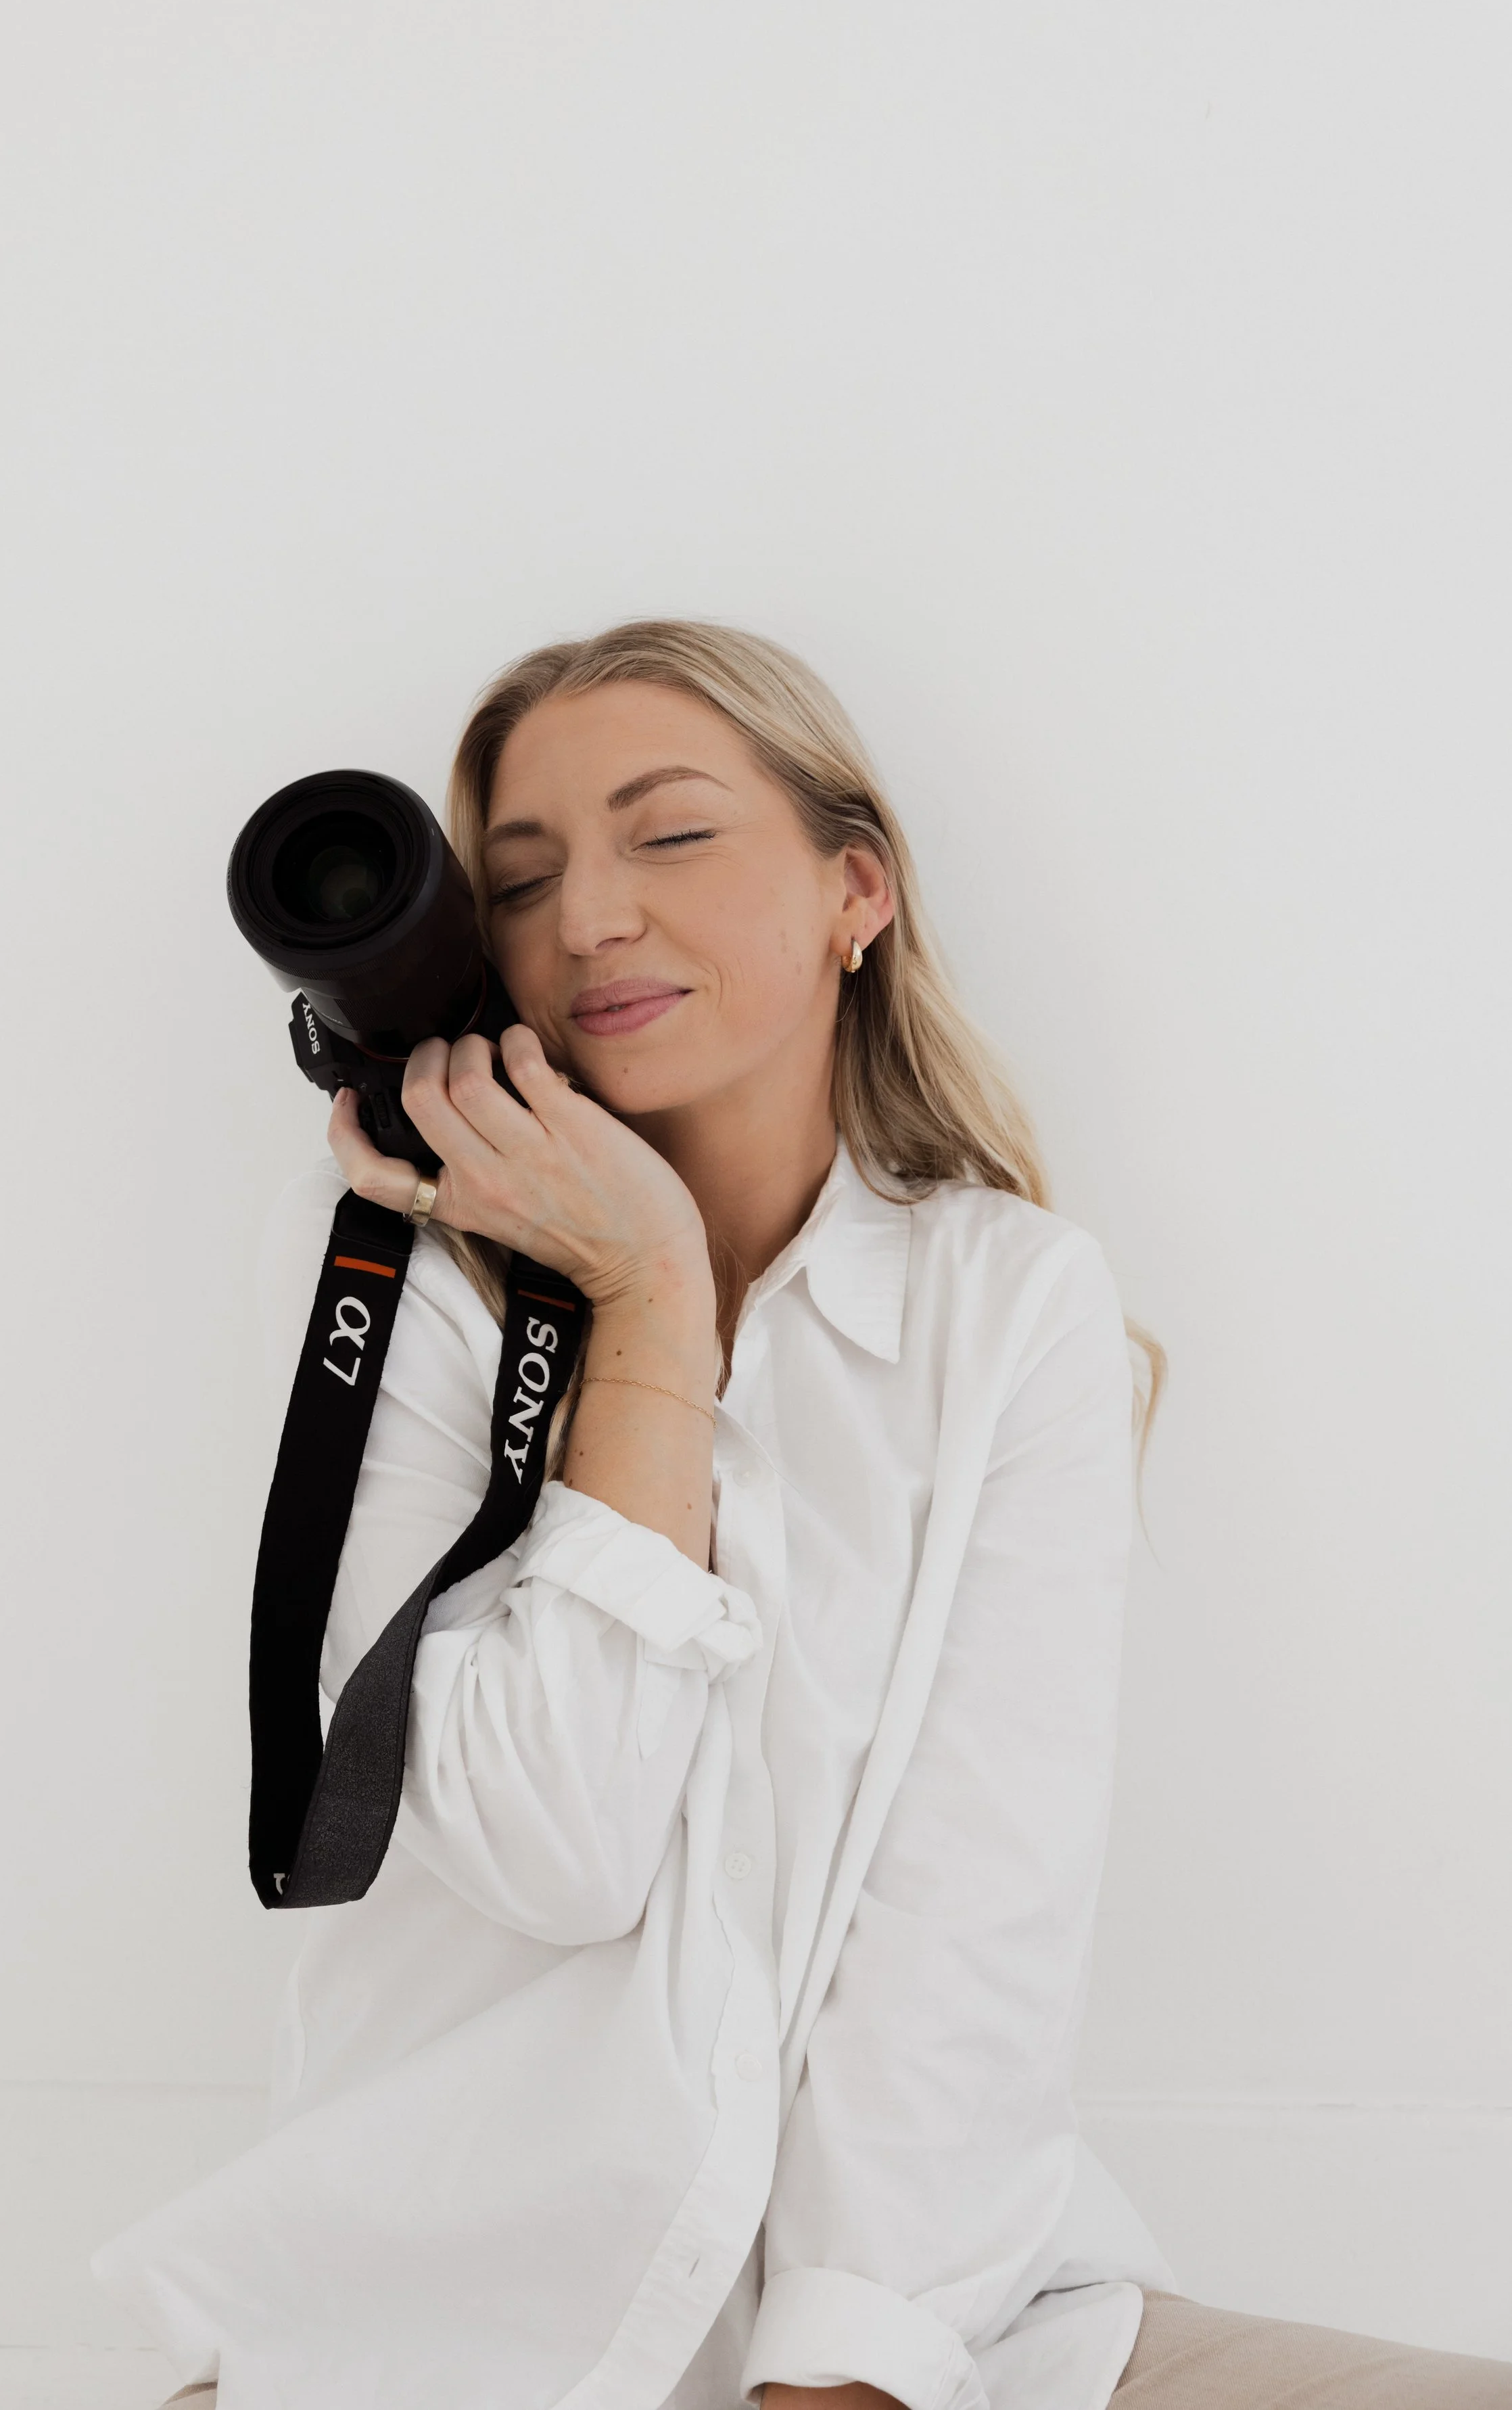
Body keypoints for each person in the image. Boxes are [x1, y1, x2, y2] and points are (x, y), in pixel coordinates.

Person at [95, 622, 1511, 2409]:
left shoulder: (1006, 1308)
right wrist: (649, 1304)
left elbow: (970, 1915)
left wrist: (846, 2378)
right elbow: (559, 1842)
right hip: (452, 2340)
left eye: (668, 834)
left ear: (858, 890)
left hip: (946, 2319)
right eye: (518, 879)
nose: (590, 916)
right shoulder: (427, 1310)